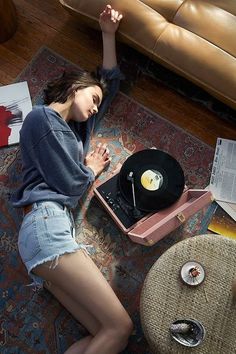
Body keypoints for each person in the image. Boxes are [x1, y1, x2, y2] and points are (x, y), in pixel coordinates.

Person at [12, 5, 133, 354]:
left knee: (107, 333)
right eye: (91, 100)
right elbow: (71, 184)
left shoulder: (74, 131)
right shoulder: (40, 118)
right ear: (75, 87)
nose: (96, 108)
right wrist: (91, 169)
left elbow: (107, 84)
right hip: (46, 226)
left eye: (96, 105)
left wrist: (108, 34)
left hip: (47, 233)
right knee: (120, 326)